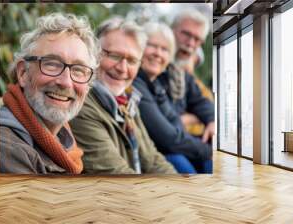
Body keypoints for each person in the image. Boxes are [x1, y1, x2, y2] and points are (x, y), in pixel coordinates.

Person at [69, 17, 176, 174]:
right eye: (114, 56)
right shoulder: (81, 105)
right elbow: (116, 175)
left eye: (132, 60)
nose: (123, 69)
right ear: (93, 54)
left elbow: (152, 159)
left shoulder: (127, 100)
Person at [0, 13, 100, 174]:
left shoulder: (64, 142)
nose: (66, 82)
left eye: (79, 70)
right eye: (52, 64)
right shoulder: (6, 149)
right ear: (23, 73)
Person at [133, 22, 212, 174]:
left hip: (174, 145)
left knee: (207, 162)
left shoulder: (154, 82)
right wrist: (207, 150)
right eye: (152, 46)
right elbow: (167, 138)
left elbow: (174, 119)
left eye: (164, 49)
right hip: (157, 153)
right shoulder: (137, 81)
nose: (158, 53)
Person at [158, 8, 215, 145]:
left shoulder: (183, 73)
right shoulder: (154, 65)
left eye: (197, 39)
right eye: (186, 34)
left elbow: (201, 101)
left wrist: (212, 120)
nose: (190, 44)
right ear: (171, 30)